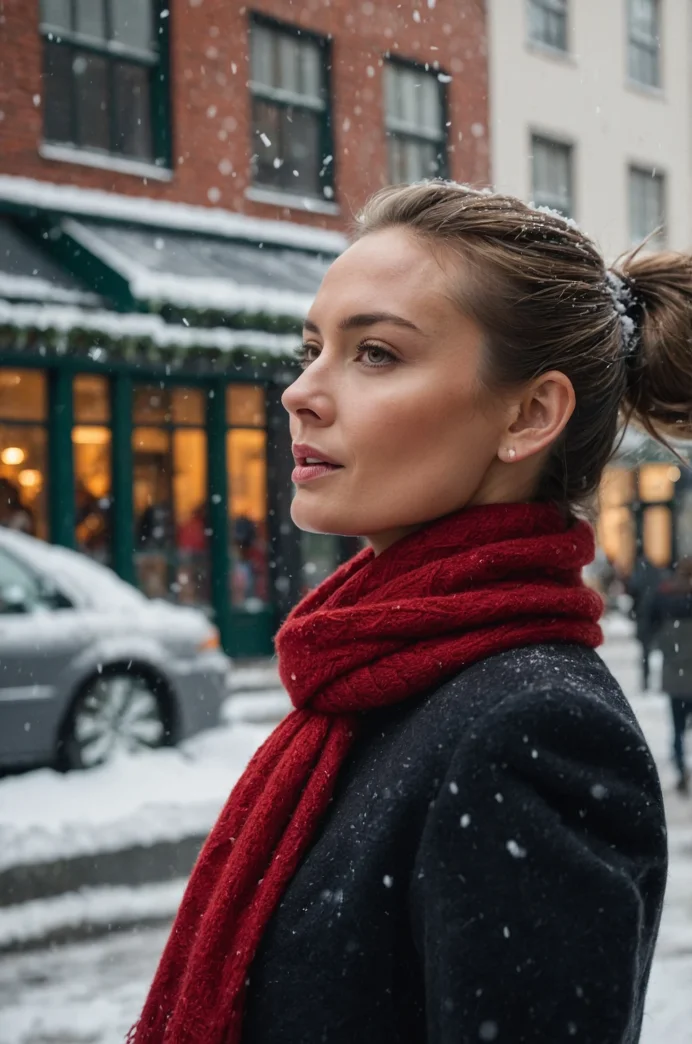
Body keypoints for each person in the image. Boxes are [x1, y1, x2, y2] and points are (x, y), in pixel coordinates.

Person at [129, 183, 681, 1044]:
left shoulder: (533, 730)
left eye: (375, 353)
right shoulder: (373, 676)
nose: (301, 393)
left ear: (531, 414)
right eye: (311, 348)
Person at [652, 562, 692, 794]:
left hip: (675, 675)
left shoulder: (665, 596)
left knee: (676, 728)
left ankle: (680, 768)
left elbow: (653, 627)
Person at [628, 554, 664, 690]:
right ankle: (652, 679)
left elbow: (633, 592)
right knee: (659, 649)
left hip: (645, 617)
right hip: (655, 618)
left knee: (645, 651)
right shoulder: (657, 575)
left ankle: (646, 678)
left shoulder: (638, 576)